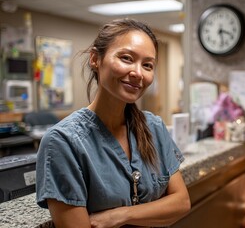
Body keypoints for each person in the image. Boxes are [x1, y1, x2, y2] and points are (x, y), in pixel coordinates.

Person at [36, 18, 191, 228]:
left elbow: (181, 203)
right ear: (95, 59)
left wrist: (120, 215)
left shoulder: (153, 127)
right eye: (126, 58)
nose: (138, 73)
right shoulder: (64, 142)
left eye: (147, 65)